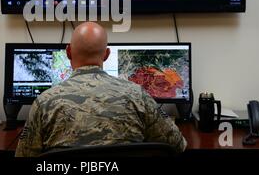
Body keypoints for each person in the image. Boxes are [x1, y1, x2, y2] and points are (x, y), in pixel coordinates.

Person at [15, 22, 187, 157]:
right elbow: (177, 145)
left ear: (68, 52)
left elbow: (25, 155)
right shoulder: (137, 95)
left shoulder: (44, 102)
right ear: (106, 54)